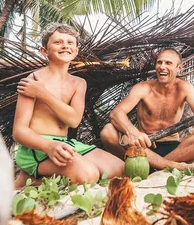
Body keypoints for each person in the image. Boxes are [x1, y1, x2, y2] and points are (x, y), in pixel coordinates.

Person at [12, 23, 124, 188]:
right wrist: (49, 146)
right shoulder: (33, 80)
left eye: (70, 42)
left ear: (76, 51)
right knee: (88, 175)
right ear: (44, 51)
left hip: (66, 144)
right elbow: (19, 132)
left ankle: (68, 169)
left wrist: (43, 94)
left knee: (119, 170)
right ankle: (26, 180)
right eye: (58, 42)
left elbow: (73, 120)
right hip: (37, 147)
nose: (65, 45)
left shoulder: (79, 83)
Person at [100, 48, 194, 173]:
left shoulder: (184, 88)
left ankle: (155, 166)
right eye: (159, 62)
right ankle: (169, 166)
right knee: (108, 131)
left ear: (179, 67)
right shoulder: (143, 88)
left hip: (174, 150)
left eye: (168, 63)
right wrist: (134, 132)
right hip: (145, 148)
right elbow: (116, 113)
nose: (162, 67)